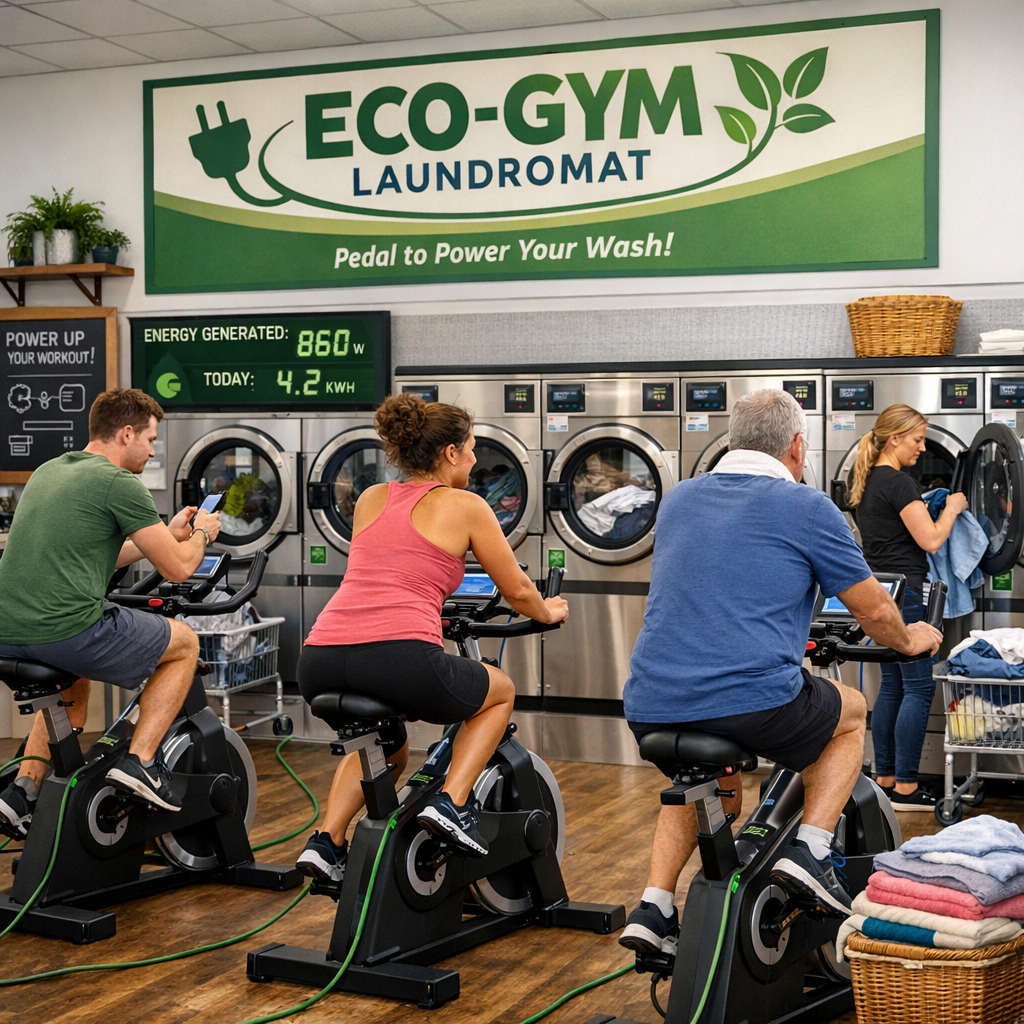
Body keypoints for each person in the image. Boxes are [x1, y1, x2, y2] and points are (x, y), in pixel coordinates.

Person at [617, 389, 942, 957]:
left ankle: (655, 906)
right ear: (797, 446)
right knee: (849, 713)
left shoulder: (680, 498)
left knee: (701, 784)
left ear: (733, 441)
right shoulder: (808, 506)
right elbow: (871, 607)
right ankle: (812, 850)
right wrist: (910, 639)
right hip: (752, 698)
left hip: (650, 702)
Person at [293, 393, 567, 882]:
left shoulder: (371, 498)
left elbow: (390, 575)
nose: (476, 458)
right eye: (472, 448)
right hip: (398, 659)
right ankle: (451, 803)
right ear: (450, 454)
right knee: (499, 690)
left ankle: (328, 841)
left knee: (389, 748)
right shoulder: (467, 506)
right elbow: (519, 590)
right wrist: (549, 611)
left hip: (320, 657)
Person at [0, 388, 222, 838]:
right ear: (126, 433)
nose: (152, 449)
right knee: (182, 643)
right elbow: (178, 568)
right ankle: (139, 763)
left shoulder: (49, 471)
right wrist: (200, 533)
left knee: (72, 689)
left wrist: (170, 532)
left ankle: (22, 791)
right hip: (64, 630)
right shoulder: (119, 483)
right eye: (151, 439)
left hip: (8, 631)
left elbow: (97, 549)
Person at [848, 404, 968, 811]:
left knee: (893, 688)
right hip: (907, 595)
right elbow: (931, 539)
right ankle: (907, 788)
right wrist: (951, 509)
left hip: (880, 591)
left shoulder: (866, 480)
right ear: (895, 438)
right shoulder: (898, 483)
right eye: (917, 439)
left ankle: (884, 779)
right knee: (918, 686)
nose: (921, 447)